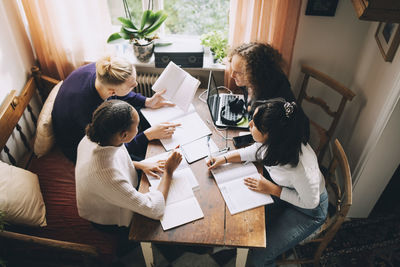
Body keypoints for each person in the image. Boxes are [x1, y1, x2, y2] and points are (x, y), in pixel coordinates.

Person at [207, 99, 328, 267]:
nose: (249, 124)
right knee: (242, 219)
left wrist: (273, 189)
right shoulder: (278, 143)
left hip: (309, 210)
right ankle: (237, 247)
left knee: (259, 257)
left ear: (270, 135)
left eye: (254, 125)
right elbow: (255, 151)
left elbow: (310, 202)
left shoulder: (302, 170)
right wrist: (224, 158)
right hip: (288, 192)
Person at [52, 55, 179, 163]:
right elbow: (110, 148)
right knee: (145, 160)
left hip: (86, 117)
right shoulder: (91, 112)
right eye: (131, 85)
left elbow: (123, 93)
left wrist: (147, 102)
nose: (136, 85)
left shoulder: (105, 71)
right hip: (80, 146)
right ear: (112, 92)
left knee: (143, 114)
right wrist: (147, 135)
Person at [75, 99, 182, 227]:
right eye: (137, 126)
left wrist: (139, 164)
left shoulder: (95, 136)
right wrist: (169, 172)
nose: (138, 129)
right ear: (124, 135)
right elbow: (155, 209)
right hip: (110, 218)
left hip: (108, 189)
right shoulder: (107, 175)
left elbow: (114, 159)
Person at [228, 42, 309, 142]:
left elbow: (270, 139)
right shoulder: (253, 81)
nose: (232, 75)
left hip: (287, 141)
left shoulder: (271, 103)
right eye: (232, 69)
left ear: (255, 73)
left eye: (238, 72)